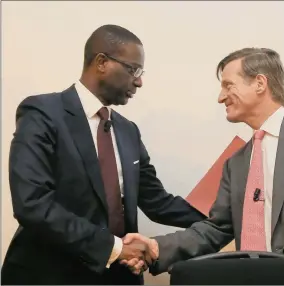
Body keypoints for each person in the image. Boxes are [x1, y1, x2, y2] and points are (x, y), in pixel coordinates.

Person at [123, 47, 284, 285]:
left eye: (228, 85)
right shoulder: (235, 163)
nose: (221, 97)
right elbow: (216, 228)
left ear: (260, 83)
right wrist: (155, 248)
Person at [1, 24, 206, 285]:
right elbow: (32, 204)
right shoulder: (42, 113)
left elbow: (157, 202)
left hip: (118, 278)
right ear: (102, 62)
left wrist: (222, 218)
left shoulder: (128, 131)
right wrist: (115, 248)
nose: (139, 81)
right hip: (50, 274)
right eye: (134, 70)